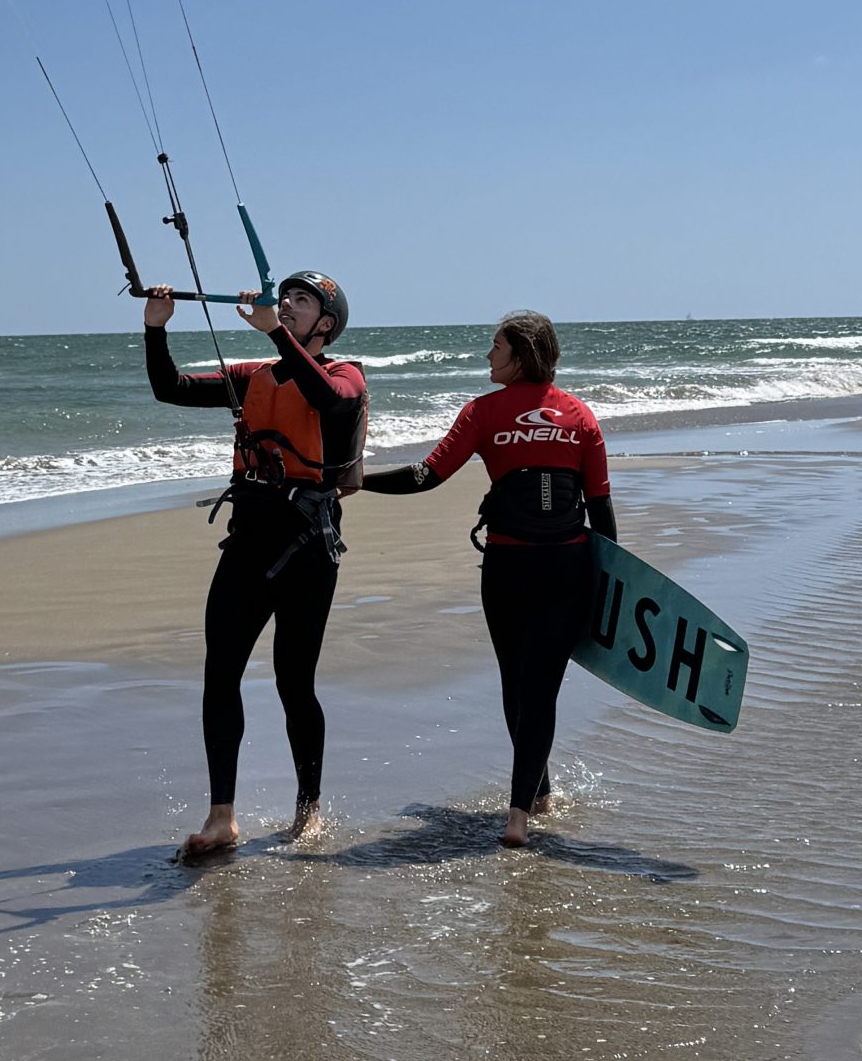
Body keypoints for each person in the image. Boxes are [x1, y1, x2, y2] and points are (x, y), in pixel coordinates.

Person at [363, 311, 614, 847]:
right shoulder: (581, 416)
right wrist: (608, 591)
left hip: (507, 569)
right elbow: (602, 514)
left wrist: (356, 481)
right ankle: (528, 805)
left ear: (520, 353)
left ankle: (528, 803)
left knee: (515, 684)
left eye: (496, 346)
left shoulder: (482, 412)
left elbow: (424, 477)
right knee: (541, 690)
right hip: (566, 568)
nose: (488, 355)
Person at [144, 272, 367, 856]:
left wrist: (275, 334)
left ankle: (308, 809)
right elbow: (169, 388)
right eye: (284, 297)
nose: (287, 305)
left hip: (308, 549)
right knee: (220, 675)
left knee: (295, 682)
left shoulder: (344, 376)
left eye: (301, 301)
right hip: (248, 543)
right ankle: (222, 817)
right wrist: (155, 329)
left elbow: (330, 401)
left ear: (326, 323)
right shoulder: (252, 377)